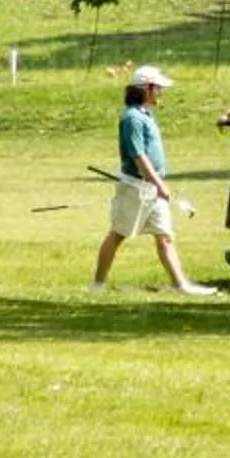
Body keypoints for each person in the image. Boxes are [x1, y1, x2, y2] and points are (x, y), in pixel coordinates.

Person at [92, 65, 215, 295]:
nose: (161, 92)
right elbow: (138, 156)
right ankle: (97, 284)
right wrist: (160, 184)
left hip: (152, 187)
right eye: (158, 88)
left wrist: (158, 185)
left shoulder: (145, 115)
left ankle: (181, 285)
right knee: (118, 234)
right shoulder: (132, 118)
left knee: (165, 237)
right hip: (136, 187)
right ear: (146, 89)